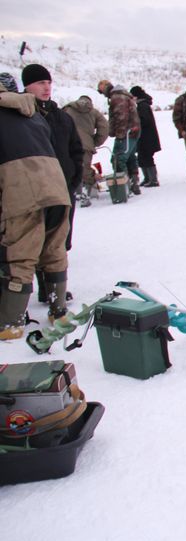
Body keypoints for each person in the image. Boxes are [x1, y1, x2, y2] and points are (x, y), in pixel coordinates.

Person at [0, 87, 71, 339]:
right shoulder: (30, 111)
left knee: (19, 253)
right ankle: (59, 310)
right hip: (55, 186)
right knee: (53, 248)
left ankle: (10, 324)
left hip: (22, 188)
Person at [22, 63, 83, 277]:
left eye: (49, 82)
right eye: (40, 83)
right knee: (33, 243)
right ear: (27, 86)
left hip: (63, 189)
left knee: (59, 241)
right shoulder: (20, 117)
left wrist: (74, 178)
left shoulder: (62, 117)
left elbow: (76, 149)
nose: (46, 87)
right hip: (33, 192)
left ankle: (53, 289)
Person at [97, 78, 142, 196]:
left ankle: (124, 186)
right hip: (132, 131)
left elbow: (121, 117)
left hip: (126, 133)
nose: (102, 94)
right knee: (130, 157)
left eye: (101, 91)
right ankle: (134, 183)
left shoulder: (117, 97)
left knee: (117, 159)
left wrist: (120, 134)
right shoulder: (122, 95)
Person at [63, 94, 109, 207]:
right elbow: (104, 128)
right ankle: (85, 195)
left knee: (70, 169)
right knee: (84, 169)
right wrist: (95, 142)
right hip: (85, 145)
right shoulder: (94, 112)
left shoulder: (66, 109)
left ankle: (74, 193)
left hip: (67, 144)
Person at [129, 86, 161, 187]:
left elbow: (144, 120)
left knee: (147, 157)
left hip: (147, 136)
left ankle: (153, 179)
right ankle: (147, 178)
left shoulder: (142, 105)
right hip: (145, 136)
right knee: (142, 157)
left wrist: (135, 124)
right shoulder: (142, 104)